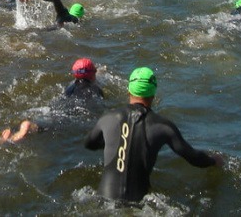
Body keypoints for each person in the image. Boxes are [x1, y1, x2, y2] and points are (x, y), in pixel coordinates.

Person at [83, 67, 222, 203]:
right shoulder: (163, 126)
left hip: (103, 202)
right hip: (138, 206)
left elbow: (89, 143)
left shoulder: (108, 118)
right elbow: (193, 157)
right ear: (153, 94)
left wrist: (113, 143)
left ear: (129, 90)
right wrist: (213, 161)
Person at [1, 58, 105, 143]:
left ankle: (14, 129)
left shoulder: (71, 86)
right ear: (93, 74)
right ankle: (28, 126)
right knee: (58, 123)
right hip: (75, 109)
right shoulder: (95, 89)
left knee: (49, 117)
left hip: (61, 105)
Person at [16, 0, 84, 30]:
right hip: (55, 30)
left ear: (71, 10)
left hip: (52, 28)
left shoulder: (65, 14)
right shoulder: (77, 22)